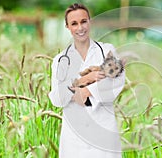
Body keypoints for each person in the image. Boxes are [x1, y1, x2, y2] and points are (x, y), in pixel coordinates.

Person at [48, 3, 125, 158]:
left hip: (104, 132)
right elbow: (57, 98)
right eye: (74, 24)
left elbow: (116, 82)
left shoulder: (106, 51)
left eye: (83, 21)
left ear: (90, 22)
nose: (80, 28)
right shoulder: (61, 60)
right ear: (67, 27)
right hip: (74, 138)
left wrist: (86, 91)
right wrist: (85, 79)